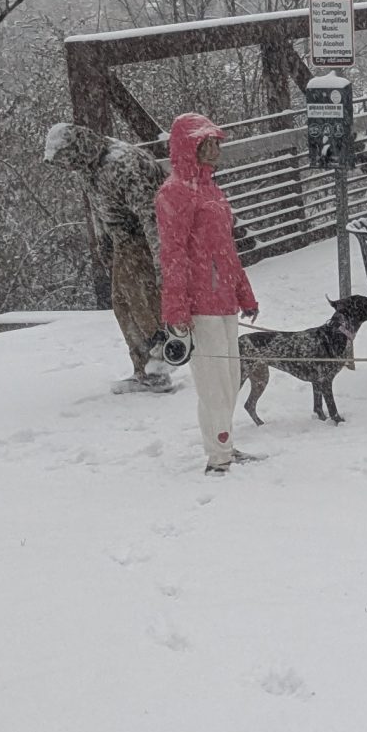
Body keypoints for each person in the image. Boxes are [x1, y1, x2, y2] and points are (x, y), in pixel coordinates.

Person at [156, 113, 259, 472]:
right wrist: (176, 313)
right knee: (214, 384)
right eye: (207, 143)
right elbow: (173, 256)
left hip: (224, 301)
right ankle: (219, 458)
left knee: (229, 380)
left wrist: (244, 293)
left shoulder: (212, 190)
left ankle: (224, 444)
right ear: (190, 147)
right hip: (200, 305)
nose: (216, 149)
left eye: (217, 142)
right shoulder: (175, 193)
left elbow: (226, 249)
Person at [43, 122, 171, 387]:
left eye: (65, 159)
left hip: (142, 237)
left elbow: (151, 214)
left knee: (140, 296)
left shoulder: (120, 164)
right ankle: (143, 366)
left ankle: (160, 360)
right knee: (122, 301)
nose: (66, 166)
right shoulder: (87, 168)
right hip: (122, 238)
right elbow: (97, 207)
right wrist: (105, 242)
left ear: (77, 148)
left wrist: (160, 259)